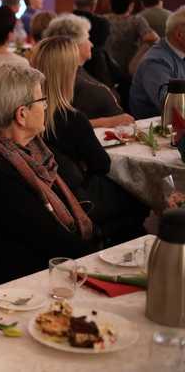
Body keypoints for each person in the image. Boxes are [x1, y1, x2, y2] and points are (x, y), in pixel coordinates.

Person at [0, 63, 93, 292]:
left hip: (41, 267)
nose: (46, 107)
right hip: (15, 287)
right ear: (21, 114)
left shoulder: (33, 152)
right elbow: (50, 239)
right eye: (42, 101)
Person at [31, 36, 147, 247]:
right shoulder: (71, 120)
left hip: (47, 200)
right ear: (68, 74)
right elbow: (102, 164)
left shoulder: (32, 115)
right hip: (78, 200)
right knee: (138, 192)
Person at [44, 13, 134, 128]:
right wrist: (104, 122)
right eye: (87, 38)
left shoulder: (55, 74)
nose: (91, 44)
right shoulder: (77, 83)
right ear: (73, 46)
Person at [130, 6, 185, 119]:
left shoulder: (179, 52)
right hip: (155, 130)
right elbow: (171, 107)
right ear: (180, 35)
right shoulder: (155, 62)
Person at [72, 0, 122, 89]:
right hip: (97, 72)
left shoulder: (65, 22)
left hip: (68, 71)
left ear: (74, 2)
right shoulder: (102, 23)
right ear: (94, 5)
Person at [104, 0, 159, 76]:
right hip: (127, 70)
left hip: (106, 69)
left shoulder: (102, 20)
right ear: (131, 5)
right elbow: (152, 38)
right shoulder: (136, 21)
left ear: (111, 4)